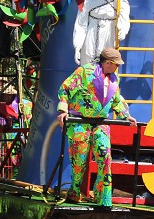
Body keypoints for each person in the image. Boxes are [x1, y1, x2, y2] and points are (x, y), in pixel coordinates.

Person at [56, 47, 136, 206]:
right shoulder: (84, 72)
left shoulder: (115, 79)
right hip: (80, 122)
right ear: (107, 63)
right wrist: (63, 110)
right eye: (116, 64)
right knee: (79, 161)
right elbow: (65, 88)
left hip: (101, 123)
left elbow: (115, 101)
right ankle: (74, 191)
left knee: (105, 157)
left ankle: (103, 197)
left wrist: (125, 115)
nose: (117, 67)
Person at [73, 0, 131, 66]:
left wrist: (123, 30)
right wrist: (77, 46)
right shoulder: (89, 1)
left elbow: (124, 21)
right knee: (88, 69)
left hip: (109, 38)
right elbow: (80, 25)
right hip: (90, 38)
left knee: (107, 68)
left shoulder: (121, 3)